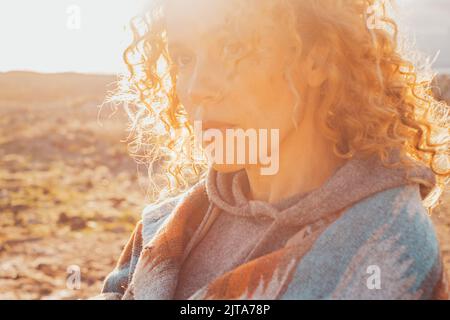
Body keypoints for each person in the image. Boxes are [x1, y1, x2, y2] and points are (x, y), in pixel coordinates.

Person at [93, 0, 449, 299]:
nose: (197, 87)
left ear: (317, 59)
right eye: (184, 58)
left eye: (234, 48)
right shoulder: (161, 228)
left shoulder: (390, 253)